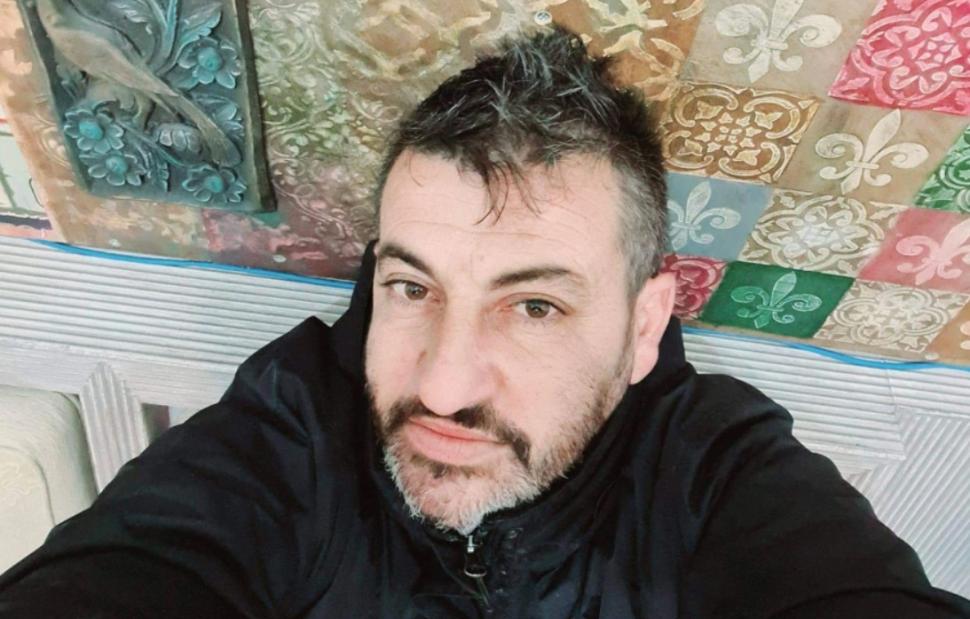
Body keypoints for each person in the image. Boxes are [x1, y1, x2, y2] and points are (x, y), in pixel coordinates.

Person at [1, 26, 968, 619]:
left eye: (535, 305)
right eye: (412, 288)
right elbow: (140, 566)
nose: (442, 385)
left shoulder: (716, 471)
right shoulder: (294, 423)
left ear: (643, 327)